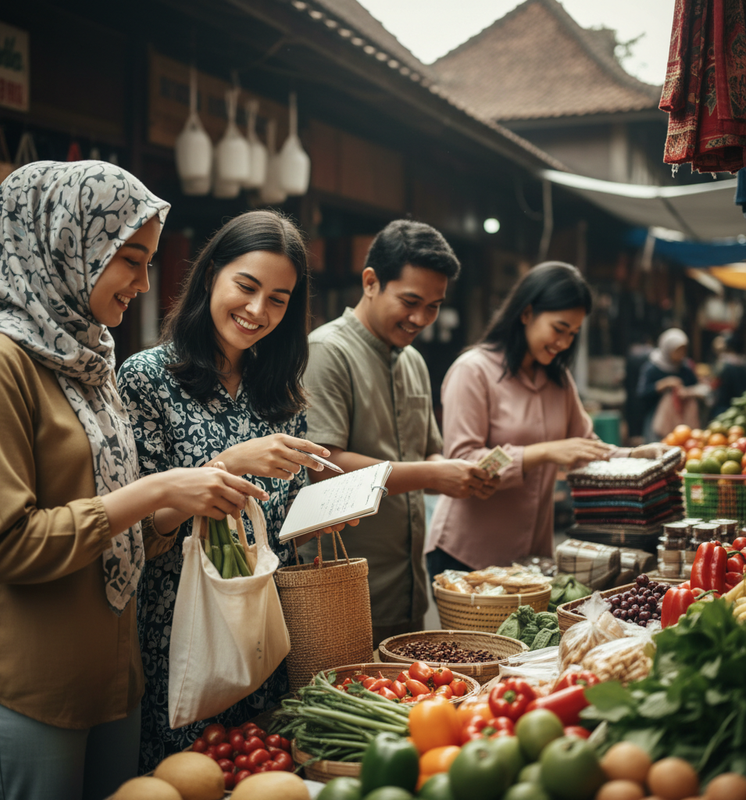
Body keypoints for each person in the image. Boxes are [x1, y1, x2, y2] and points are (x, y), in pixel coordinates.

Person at [0, 161, 266, 800]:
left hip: (115, 680)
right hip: (30, 684)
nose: (143, 284)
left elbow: (121, 534)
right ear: (67, 243)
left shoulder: (88, 359)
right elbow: (9, 544)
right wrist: (156, 490)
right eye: (130, 260)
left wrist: (187, 495)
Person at [117, 209, 338, 772]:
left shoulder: (281, 390)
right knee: (186, 776)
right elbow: (141, 530)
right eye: (246, 286)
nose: (258, 310)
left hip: (265, 626)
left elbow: (281, 525)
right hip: (183, 629)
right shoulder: (147, 377)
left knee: (262, 770)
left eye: (279, 300)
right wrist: (226, 464)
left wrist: (325, 513)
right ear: (211, 273)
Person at [298, 219, 495, 648]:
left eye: (434, 306)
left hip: (406, 586)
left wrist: (459, 472)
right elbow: (324, 466)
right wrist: (434, 475)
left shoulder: (413, 361)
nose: (420, 318)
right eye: (410, 301)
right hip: (342, 586)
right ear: (371, 282)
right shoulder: (327, 351)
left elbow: (429, 455)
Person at [425, 261, 660, 577]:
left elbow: (585, 448)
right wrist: (543, 452)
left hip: (531, 560)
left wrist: (636, 456)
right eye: (558, 329)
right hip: (467, 556)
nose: (564, 343)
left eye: (572, 334)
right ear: (526, 313)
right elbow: (465, 462)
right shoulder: (473, 371)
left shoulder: (558, 380)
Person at [637, 327, 701, 442]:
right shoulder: (652, 368)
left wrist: (687, 392)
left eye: (684, 350)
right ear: (667, 349)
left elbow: (696, 386)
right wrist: (663, 385)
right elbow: (642, 393)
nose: (681, 354)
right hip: (656, 419)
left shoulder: (685, 368)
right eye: (677, 351)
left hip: (682, 418)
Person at [711, 329, 746, 417]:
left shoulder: (723, 363)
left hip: (723, 406)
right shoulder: (743, 361)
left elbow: (715, 383)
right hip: (740, 405)